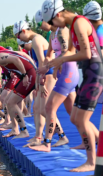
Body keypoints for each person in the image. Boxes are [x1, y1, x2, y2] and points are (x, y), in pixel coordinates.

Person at [41, 0, 103, 172]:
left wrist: (62, 59)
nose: (53, 26)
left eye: (52, 22)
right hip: (89, 75)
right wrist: (56, 63)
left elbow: (86, 53)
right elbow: (70, 50)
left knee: (82, 119)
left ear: (58, 15)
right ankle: (93, 143)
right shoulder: (71, 25)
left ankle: (91, 162)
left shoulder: (80, 23)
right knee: (74, 117)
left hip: (95, 75)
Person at [28, 9, 79, 148]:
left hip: (68, 73)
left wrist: (53, 68)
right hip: (64, 73)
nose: (40, 26)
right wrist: (44, 71)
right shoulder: (52, 34)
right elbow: (49, 55)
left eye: (41, 23)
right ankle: (94, 139)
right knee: (74, 114)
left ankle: (47, 143)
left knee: (49, 107)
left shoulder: (63, 31)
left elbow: (64, 54)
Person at [0, 42, 36, 139]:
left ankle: (23, 130)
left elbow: (16, 59)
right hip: (28, 73)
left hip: (29, 75)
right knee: (7, 101)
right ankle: (15, 129)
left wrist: (24, 74)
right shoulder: (0, 53)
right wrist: (33, 66)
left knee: (11, 102)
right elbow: (21, 54)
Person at [14, 20, 57, 143]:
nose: (20, 40)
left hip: (48, 75)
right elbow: (38, 64)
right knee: (37, 107)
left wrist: (41, 83)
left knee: (45, 109)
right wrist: (37, 83)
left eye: (18, 36)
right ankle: (38, 136)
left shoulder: (37, 40)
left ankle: (61, 135)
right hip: (44, 75)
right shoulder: (36, 40)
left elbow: (43, 62)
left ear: (23, 31)